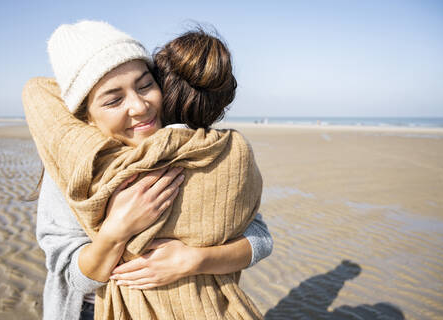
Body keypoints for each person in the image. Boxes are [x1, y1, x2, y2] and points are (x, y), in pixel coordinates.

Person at [23, 21, 272, 320]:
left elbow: (259, 238)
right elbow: (71, 275)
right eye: (114, 99)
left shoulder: (187, 147)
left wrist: (194, 260)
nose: (140, 107)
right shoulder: (73, 167)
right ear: (85, 115)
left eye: (145, 86)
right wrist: (118, 229)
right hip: (92, 310)